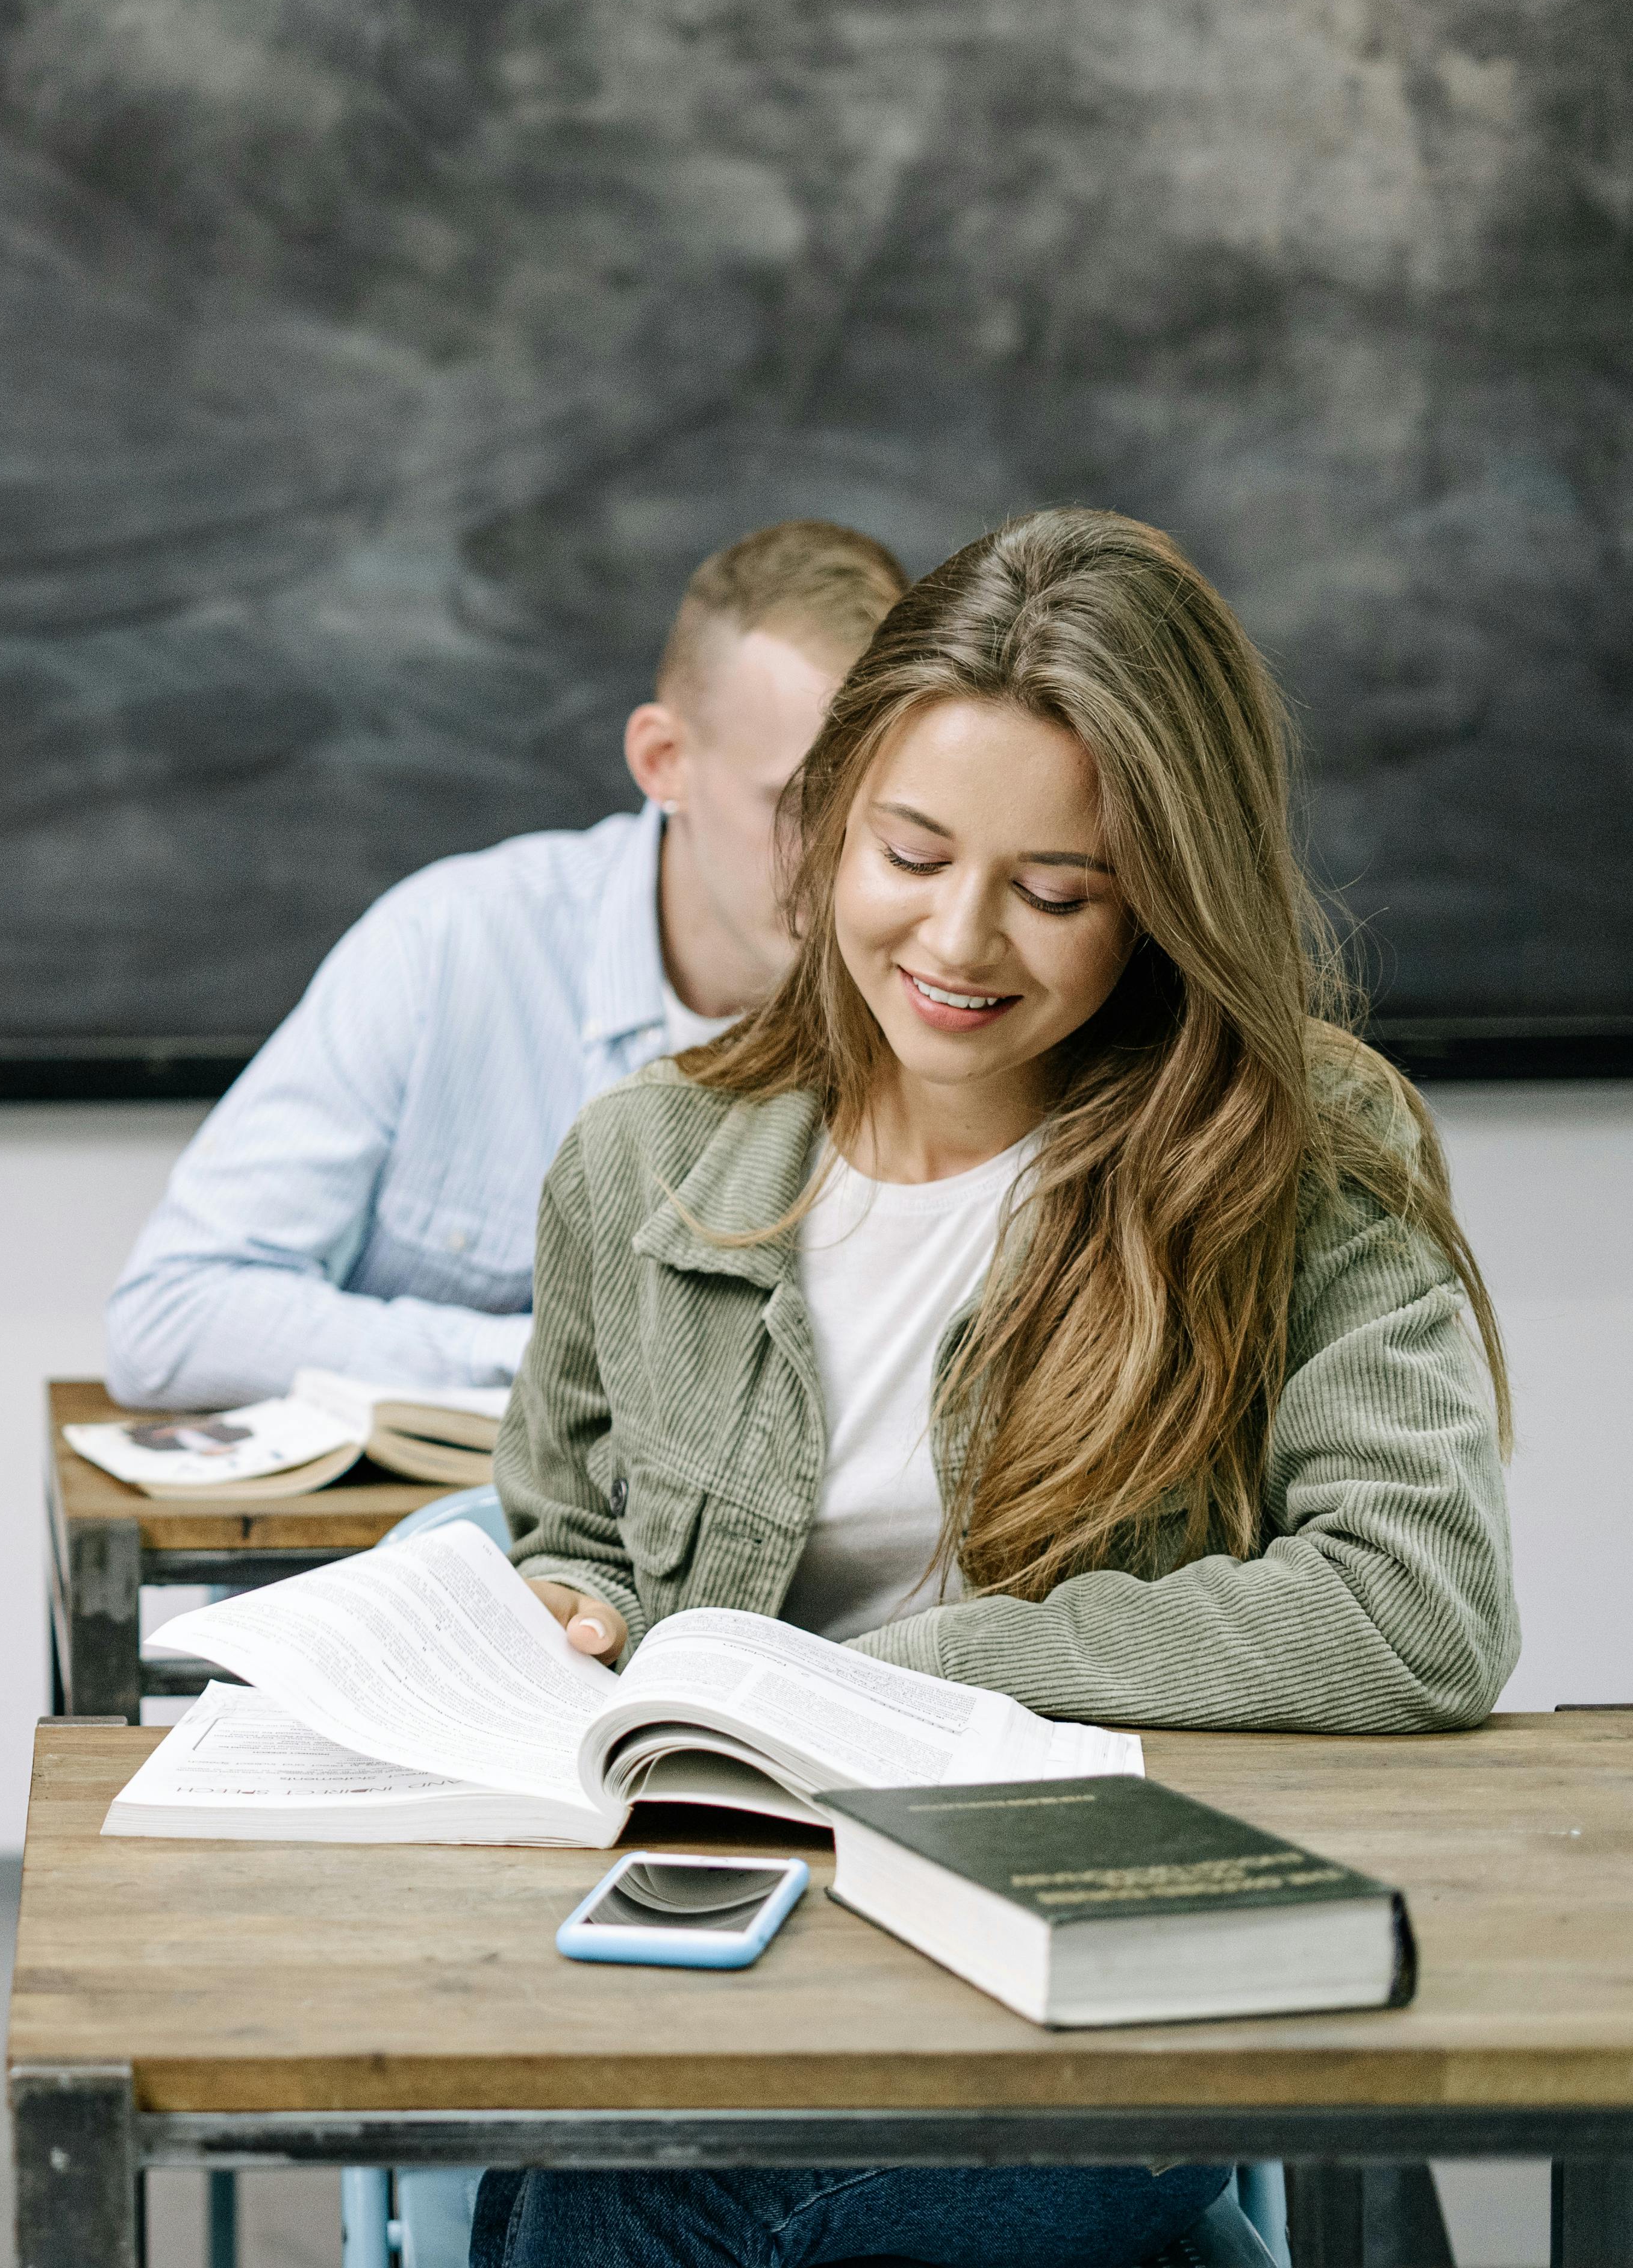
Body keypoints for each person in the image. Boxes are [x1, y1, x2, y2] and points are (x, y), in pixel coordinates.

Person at [484, 508, 1517, 2268]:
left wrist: (914, 1683)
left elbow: (1418, 1606)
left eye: (1058, 894)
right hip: (759, 1951)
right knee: (594, 2160)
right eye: (910, 851)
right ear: (828, 830)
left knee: (612, 2200)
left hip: (1113, 1970)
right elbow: (575, 1526)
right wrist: (563, 1602)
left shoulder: (1301, 1156)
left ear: (1167, 902)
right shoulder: (642, 1162)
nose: (962, 941)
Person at [105, 520, 908, 1410]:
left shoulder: (933, 1004)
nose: (844, 865)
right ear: (663, 762)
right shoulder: (452, 946)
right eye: (799, 805)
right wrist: (554, 1363)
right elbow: (171, 1319)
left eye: (889, 820)